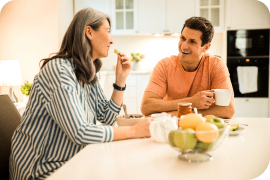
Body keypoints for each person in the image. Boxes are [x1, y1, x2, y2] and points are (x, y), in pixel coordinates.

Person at [9, 8, 152, 180]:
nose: (112, 40)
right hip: (39, 169)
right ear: (89, 32)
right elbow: (80, 132)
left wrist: (120, 80)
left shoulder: (87, 72)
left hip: (69, 161)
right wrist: (134, 131)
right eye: (107, 31)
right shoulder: (59, 70)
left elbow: (106, 117)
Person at [141, 17, 235, 119]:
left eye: (192, 41)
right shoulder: (165, 65)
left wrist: (179, 114)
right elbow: (146, 107)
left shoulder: (216, 65)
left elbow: (228, 110)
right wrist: (191, 102)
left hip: (203, 130)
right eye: (183, 38)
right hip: (170, 128)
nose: (184, 46)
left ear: (206, 47)